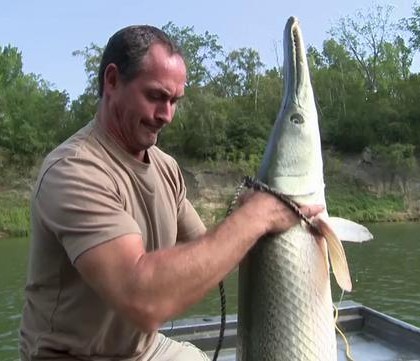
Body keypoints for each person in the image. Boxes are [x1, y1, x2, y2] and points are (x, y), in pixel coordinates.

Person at [19, 25, 323, 361]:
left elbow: (207, 250)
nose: (166, 115)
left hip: (145, 350)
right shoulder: (73, 170)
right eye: (155, 96)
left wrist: (253, 221)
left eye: (175, 100)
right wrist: (255, 217)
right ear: (112, 80)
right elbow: (143, 299)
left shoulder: (165, 168)